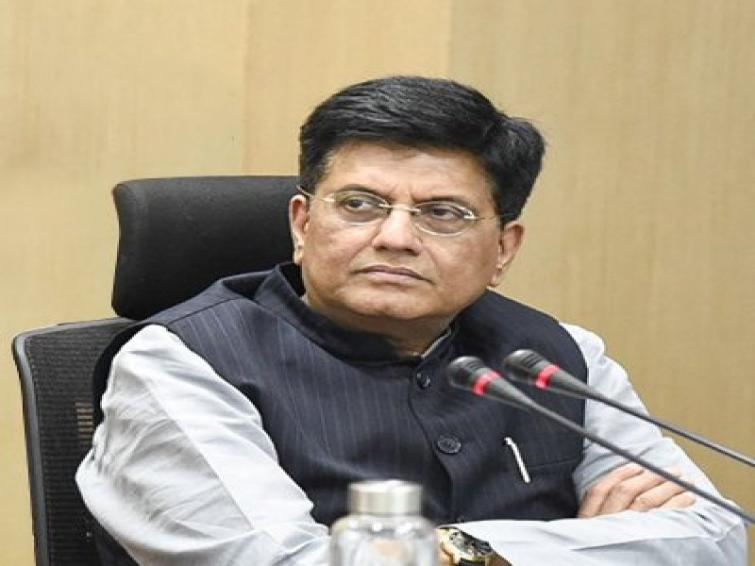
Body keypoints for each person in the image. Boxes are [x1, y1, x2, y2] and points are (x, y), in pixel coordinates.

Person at [77, 76, 746, 565]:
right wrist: (583, 545)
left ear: (503, 249)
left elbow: (714, 538)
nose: (395, 237)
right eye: (359, 204)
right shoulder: (181, 363)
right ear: (302, 225)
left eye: (442, 213)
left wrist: (442, 552)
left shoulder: (555, 358)